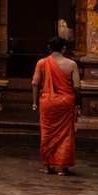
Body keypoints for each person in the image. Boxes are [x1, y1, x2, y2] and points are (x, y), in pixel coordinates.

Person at [31, 36, 78, 175]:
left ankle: (47, 165)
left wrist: (34, 103)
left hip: (47, 102)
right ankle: (61, 167)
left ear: (49, 48)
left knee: (47, 133)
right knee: (65, 134)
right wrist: (77, 102)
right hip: (66, 101)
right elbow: (77, 86)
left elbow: (35, 83)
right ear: (64, 48)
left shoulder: (42, 63)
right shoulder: (71, 64)